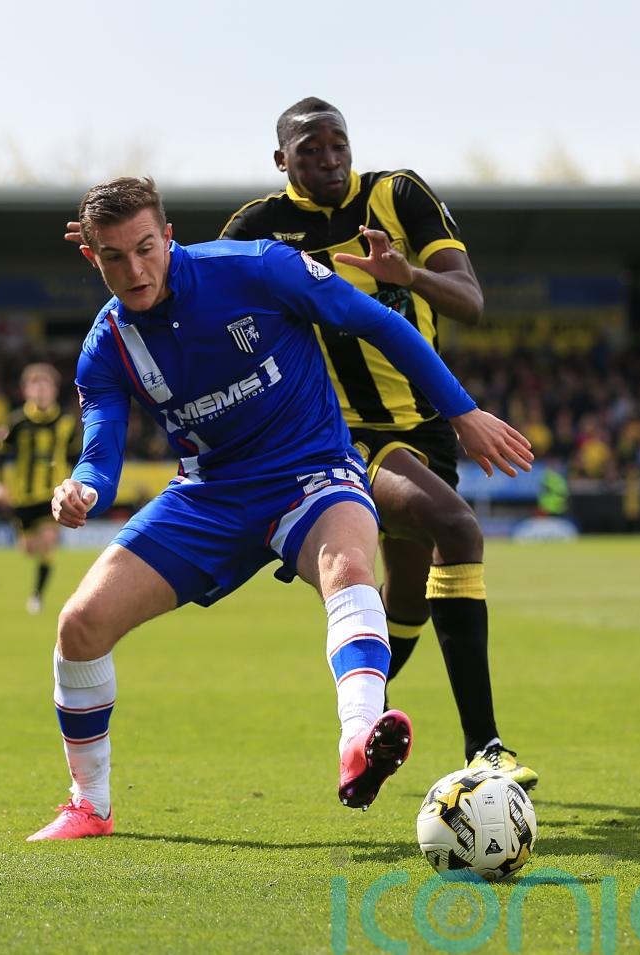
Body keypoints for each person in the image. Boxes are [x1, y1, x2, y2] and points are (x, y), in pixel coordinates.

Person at [31, 176, 532, 841]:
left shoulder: (258, 267)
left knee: (349, 565)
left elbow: (379, 320)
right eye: (115, 257)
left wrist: (461, 410)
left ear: (168, 235)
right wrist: (83, 487)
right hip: (208, 494)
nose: (135, 267)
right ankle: (88, 806)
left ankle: (359, 743)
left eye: (145, 247)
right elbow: (102, 445)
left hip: (312, 472)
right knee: (79, 625)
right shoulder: (108, 343)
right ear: (91, 258)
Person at [219, 97, 539, 789]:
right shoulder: (258, 229)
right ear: (283, 161)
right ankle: (485, 744)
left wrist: (409, 275)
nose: (330, 159)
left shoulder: (399, 194)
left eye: (338, 144)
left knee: (410, 600)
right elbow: (219, 317)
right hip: (338, 434)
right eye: (310, 150)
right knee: (457, 524)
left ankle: (363, 739)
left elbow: (469, 301)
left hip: (426, 425)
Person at [0, 363, 78, 614]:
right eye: (35, 385)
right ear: (26, 391)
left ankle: (37, 596)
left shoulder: (66, 423)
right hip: (23, 496)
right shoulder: (17, 422)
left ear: (54, 390)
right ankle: (37, 574)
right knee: (29, 548)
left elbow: (75, 455)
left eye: (45, 385)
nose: (40, 391)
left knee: (48, 541)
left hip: (53, 494)